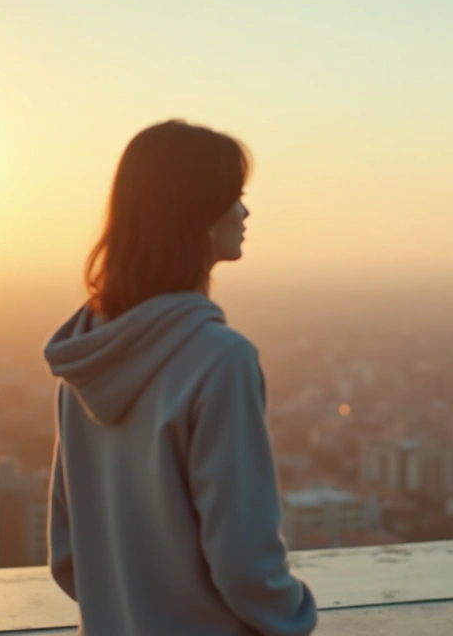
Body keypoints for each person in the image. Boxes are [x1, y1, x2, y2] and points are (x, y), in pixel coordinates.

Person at [43, 120, 317, 636]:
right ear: (196, 213)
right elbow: (245, 561)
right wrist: (295, 615)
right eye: (234, 197)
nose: (245, 213)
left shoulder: (84, 359)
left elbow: (68, 555)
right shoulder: (220, 360)